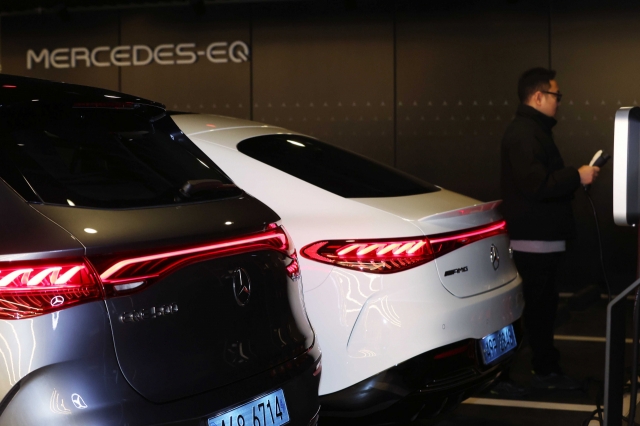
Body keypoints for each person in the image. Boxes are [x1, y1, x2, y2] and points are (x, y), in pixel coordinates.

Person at [499, 67, 599, 392]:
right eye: (557, 95)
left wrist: (575, 178)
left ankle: (543, 368)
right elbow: (536, 184)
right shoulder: (524, 133)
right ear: (538, 96)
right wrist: (577, 175)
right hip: (534, 241)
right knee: (536, 310)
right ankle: (536, 372)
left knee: (542, 309)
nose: (560, 102)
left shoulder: (534, 131)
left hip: (543, 239)